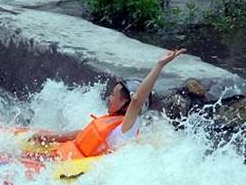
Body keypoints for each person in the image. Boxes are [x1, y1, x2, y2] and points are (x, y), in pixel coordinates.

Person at [31, 48, 187, 160]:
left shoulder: (126, 129)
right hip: (69, 156)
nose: (109, 98)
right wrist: (51, 137)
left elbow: (138, 99)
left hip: (79, 169)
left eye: (113, 95)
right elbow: (80, 135)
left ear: (126, 103)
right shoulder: (111, 124)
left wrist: (159, 66)